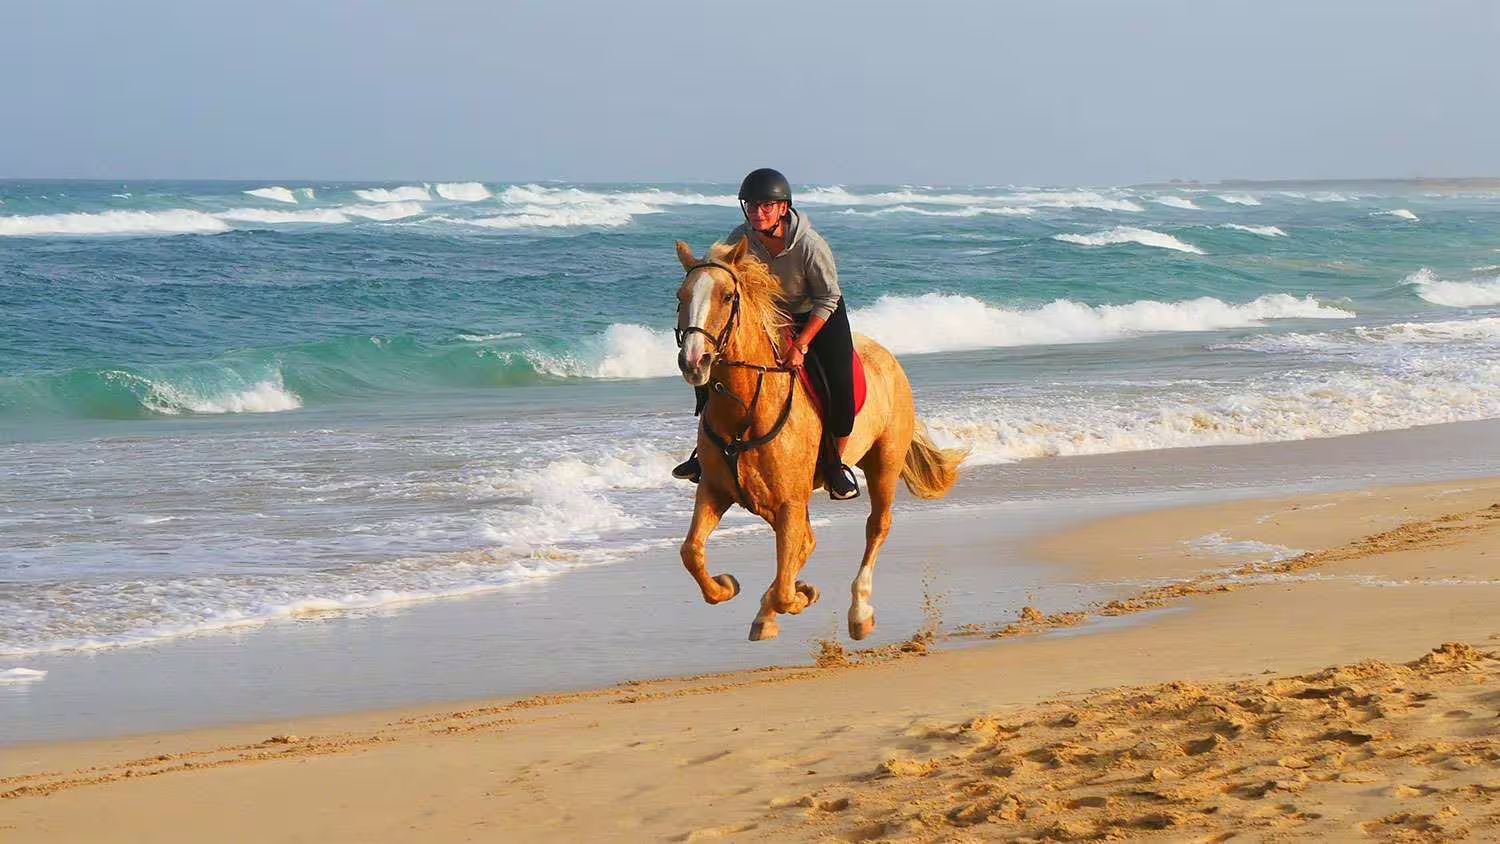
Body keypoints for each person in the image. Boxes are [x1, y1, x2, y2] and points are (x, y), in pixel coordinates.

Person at [673, 167, 860, 500]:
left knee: (842, 388)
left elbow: (828, 297)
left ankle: (834, 465)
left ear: (782, 209)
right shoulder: (741, 237)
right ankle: (704, 453)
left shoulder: (810, 246)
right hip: (771, 315)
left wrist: (801, 345)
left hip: (819, 313)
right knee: (715, 366)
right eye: (751, 206)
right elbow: (718, 269)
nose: (757, 213)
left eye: (766, 206)